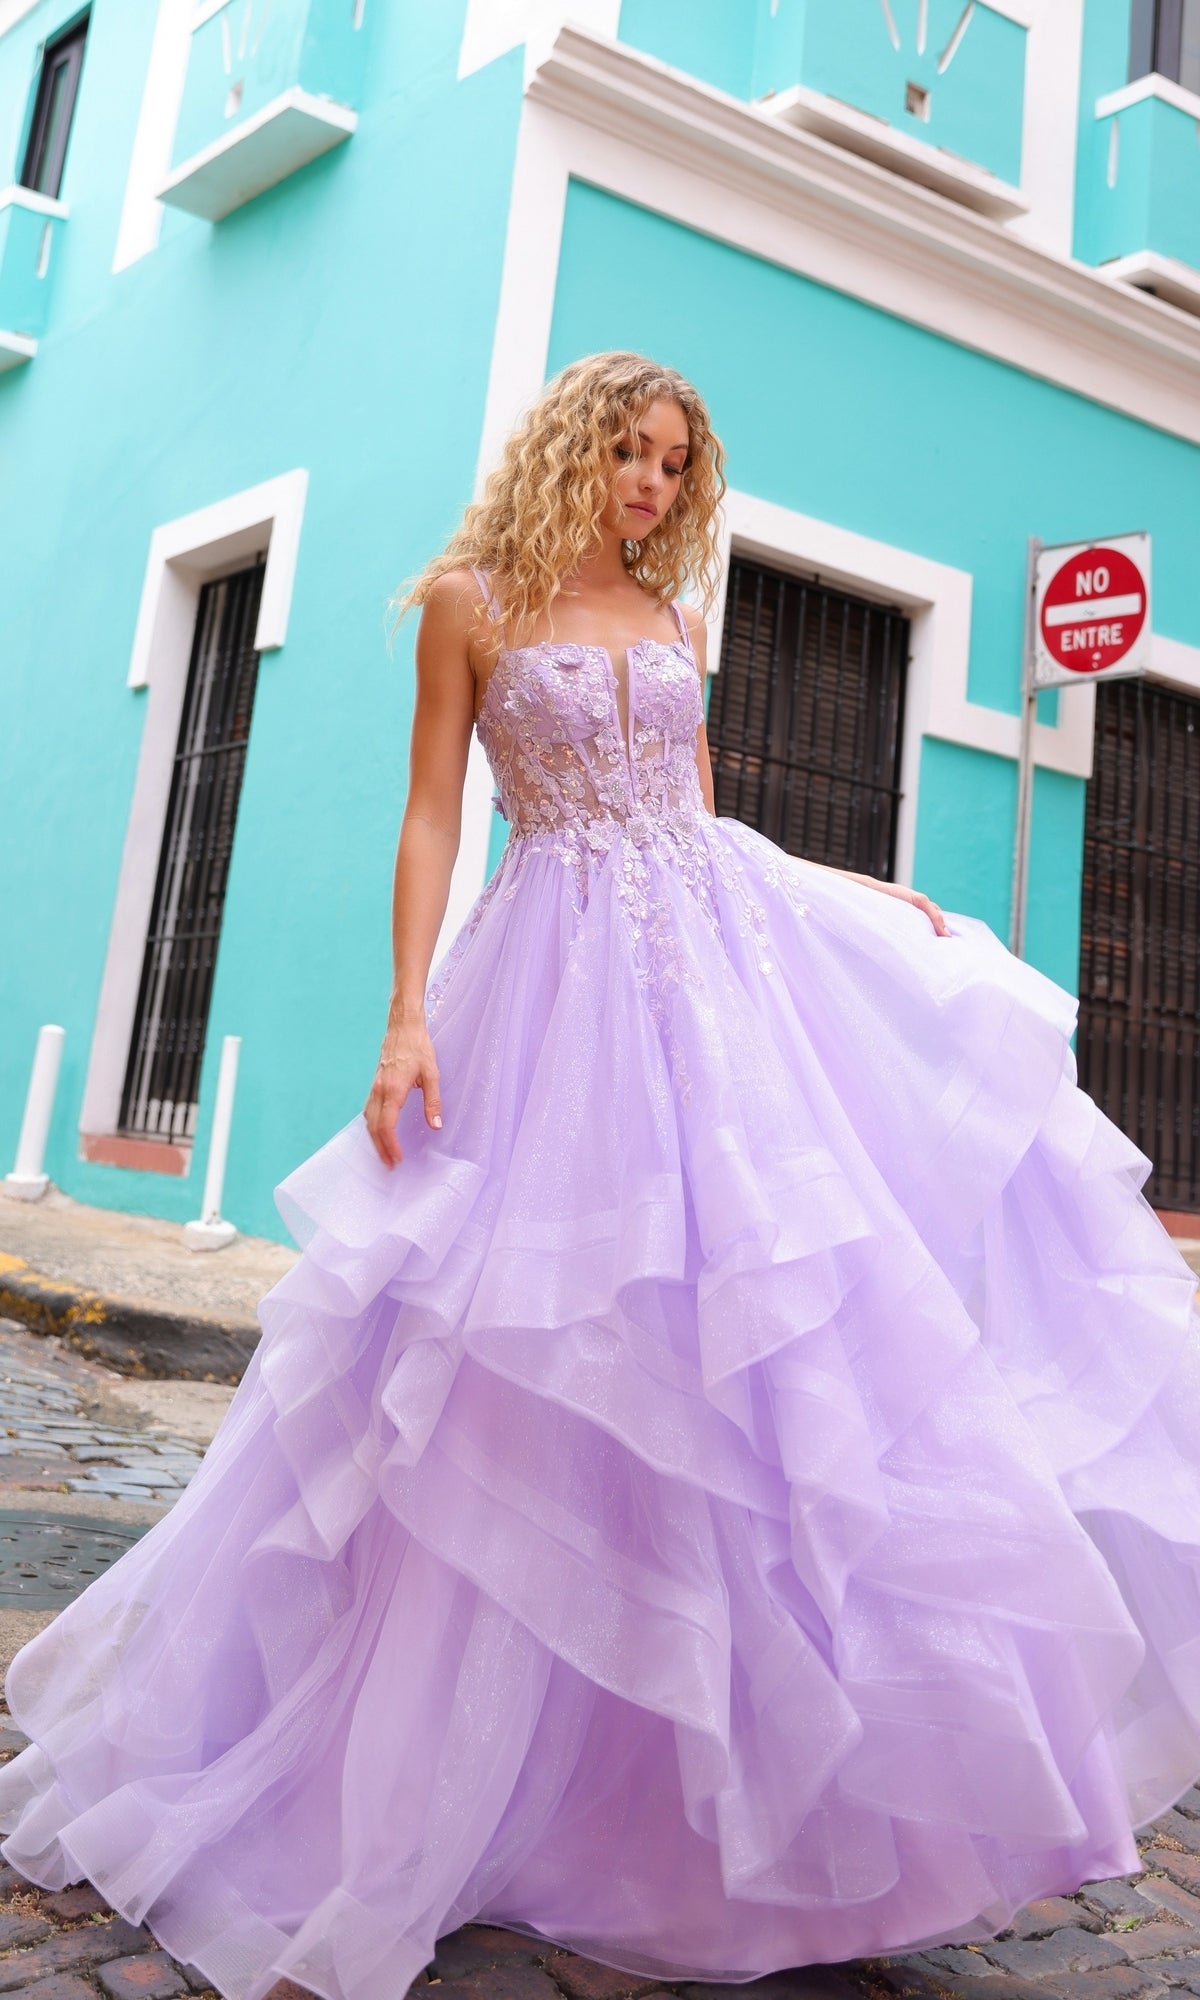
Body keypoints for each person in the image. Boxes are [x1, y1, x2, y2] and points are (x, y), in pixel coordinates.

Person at [3, 351, 1200, 2000]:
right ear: (578, 445)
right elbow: (435, 815)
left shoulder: (672, 618)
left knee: (738, 1377)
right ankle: (439, 1786)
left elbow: (705, 825)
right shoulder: (470, 602)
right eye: (631, 454)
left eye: (673, 464)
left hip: (709, 1006)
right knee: (514, 1376)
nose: (651, 486)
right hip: (546, 997)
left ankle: (686, 1808)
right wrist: (406, 1016)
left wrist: (862, 895)